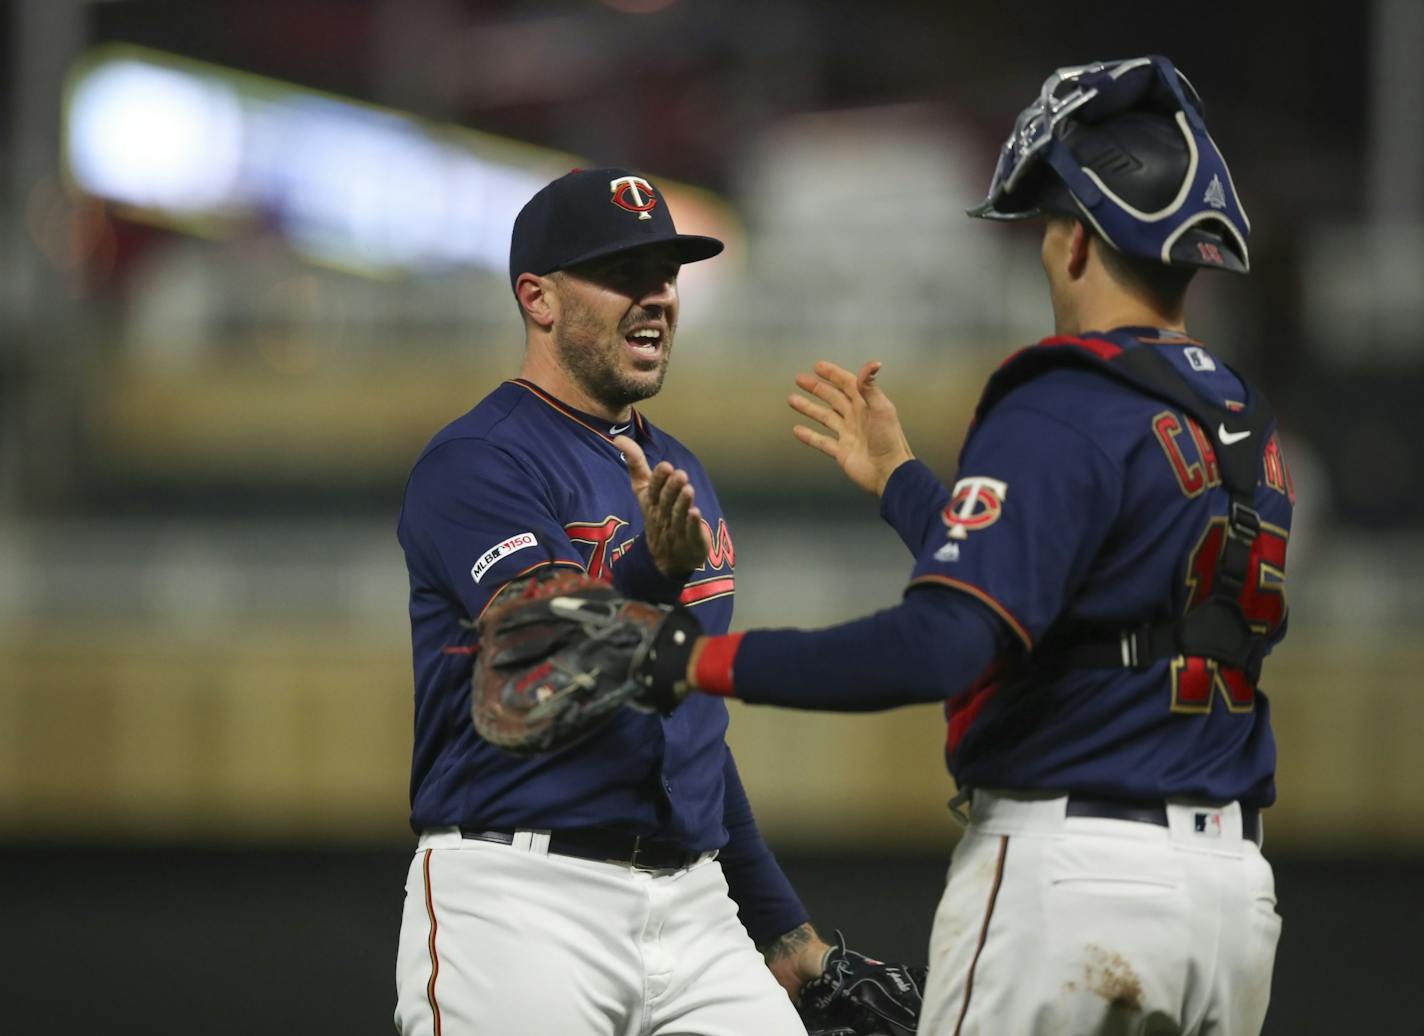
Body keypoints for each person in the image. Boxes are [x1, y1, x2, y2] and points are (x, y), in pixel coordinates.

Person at [598, 57, 1290, 1034]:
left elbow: (940, 644)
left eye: (1045, 227)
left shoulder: (1064, 397)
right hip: (1227, 899)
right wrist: (904, 485)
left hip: (1072, 880)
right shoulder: (1237, 421)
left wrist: (687, 656)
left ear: (1078, 243)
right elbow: (1066, 601)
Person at [393, 167, 854, 1035]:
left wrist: (783, 930)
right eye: (622, 274)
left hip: (696, 897)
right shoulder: (477, 462)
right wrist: (650, 574)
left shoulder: (680, 471)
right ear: (538, 298)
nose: (657, 298)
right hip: (520, 892)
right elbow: (548, 644)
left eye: (668, 274)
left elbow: (690, 729)